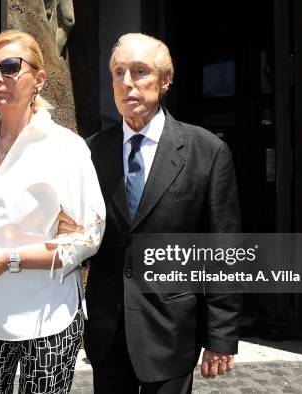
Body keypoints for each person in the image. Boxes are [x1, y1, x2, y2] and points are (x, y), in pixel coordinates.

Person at [0, 29, 105, 394]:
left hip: (46, 318)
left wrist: (6, 259)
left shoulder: (66, 148)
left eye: (10, 67)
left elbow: (86, 238)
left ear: (39, 79)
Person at [83, 33, 242, 393]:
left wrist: (221, 334)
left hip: (171, 329)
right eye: (118, 72)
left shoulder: (207, 151)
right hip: (108, 332)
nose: (127, 84)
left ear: (165, 80)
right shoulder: (91, 152)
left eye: (139, 71)